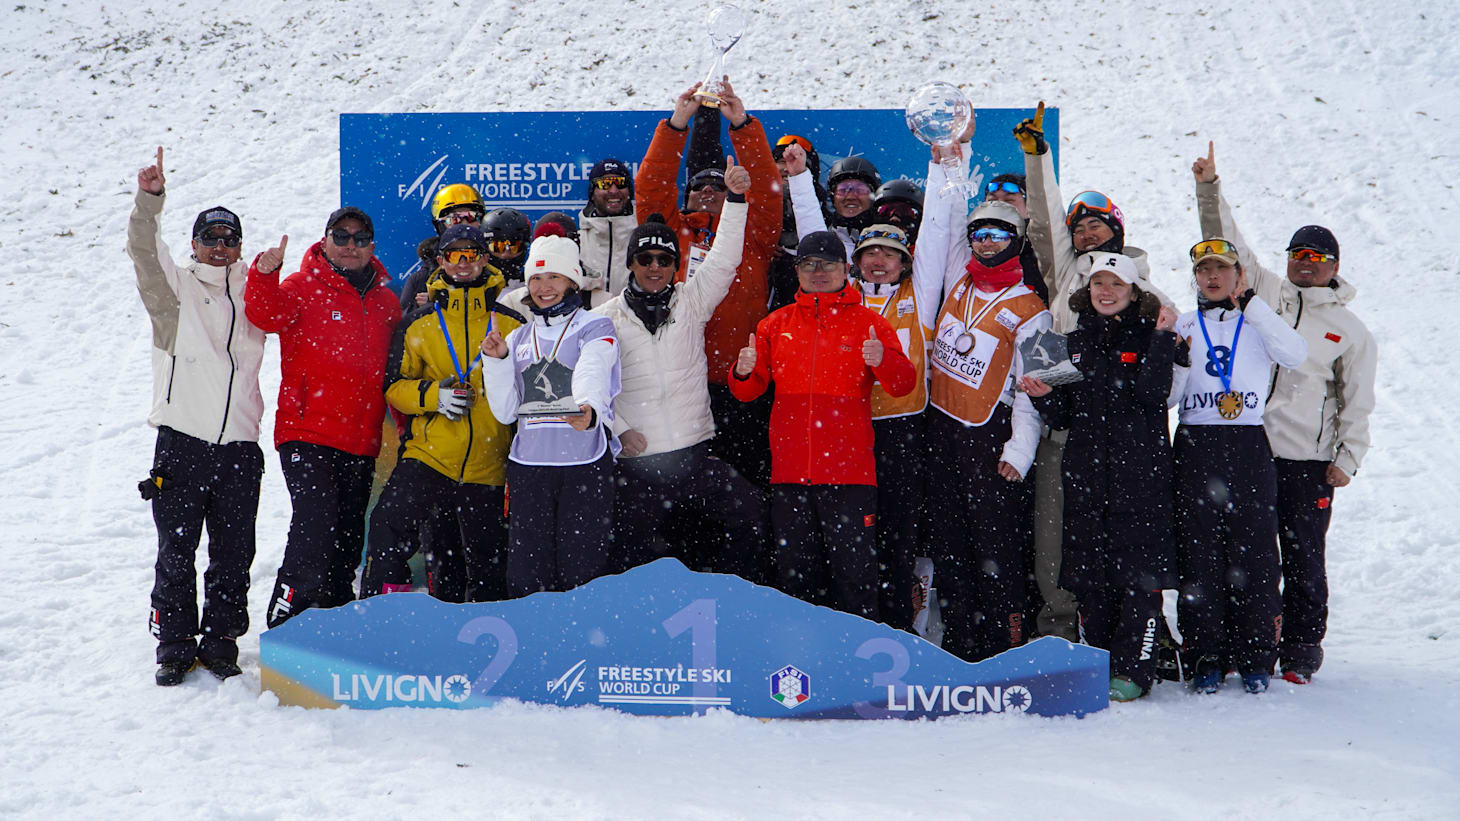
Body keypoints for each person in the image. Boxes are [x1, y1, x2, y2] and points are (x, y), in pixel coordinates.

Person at [1193, 142, 1377, 685]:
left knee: (1302, 556)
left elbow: (1358, 400)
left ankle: (1300, 647)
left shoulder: (1351, 330)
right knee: (1245, 556)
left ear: (1335, 267)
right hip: (1250, 449)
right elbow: (1227, 243)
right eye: (1297, 253)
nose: (1304, 263)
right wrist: (1208, 189)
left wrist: (1348, 457)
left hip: (1307, 460)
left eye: (1316, 258)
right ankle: (1242, 643)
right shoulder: (1266, 290)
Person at [1015, 102, 1174, 643]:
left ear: (1117, 230)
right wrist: (1038, 158)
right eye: (1079, 228)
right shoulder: (1067, 273)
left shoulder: (1145, 289)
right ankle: (1062, 631)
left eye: (1096, 225)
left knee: (1127, 537)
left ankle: (1140, 632)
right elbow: (1043, 218)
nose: (1085, 235)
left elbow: (1179, 358)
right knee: (1058, 535)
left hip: (1126, 434)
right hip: (1067, 418)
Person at [128, 147, 266, 686]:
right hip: (183, 441)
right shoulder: (176, 291)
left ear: (239, 246)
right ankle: (174, 644)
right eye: (210, 238)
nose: (220, 247)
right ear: (194, 244)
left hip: (240, 447)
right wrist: (150, 201)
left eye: (229, 239)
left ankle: (221, 642)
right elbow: (144, 250)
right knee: (177, 550)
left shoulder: (256, 291)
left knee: (234, 553)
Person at [1021, 252, 1184, 702]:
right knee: (1091, 577)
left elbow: (1154, 393)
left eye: (1116, 284)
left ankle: (1134, 670)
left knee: (1138, 580)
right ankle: (1100, 663)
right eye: (1098, 284)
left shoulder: (1153, 336)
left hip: (1140, 478)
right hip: (1087, 477)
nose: (1106, 292)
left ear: (1133, 292)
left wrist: (1162, 339)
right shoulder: (1071, 342)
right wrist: (1042, 395)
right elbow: (1063, 415)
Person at [729, 231, 916, 620]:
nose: (818, 272)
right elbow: (747, 391)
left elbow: (903, 385)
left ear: (845, 270)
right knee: (796, 580)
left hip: (850, 477)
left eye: (827, 264)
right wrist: (742, 371)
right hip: (790, 476)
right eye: (809, 264)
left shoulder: (870, 324)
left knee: (855, 579)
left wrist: (882, 359)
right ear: (797, 271)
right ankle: (801, 650)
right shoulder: (774, 324)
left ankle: (858, 651)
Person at [596, 157, 766, 579]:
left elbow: (724, 260)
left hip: (693, 457)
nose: (655, 267)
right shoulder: (604, 318)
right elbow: (587, 387)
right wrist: (619, 430)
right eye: (646, 258)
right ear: (631, 264)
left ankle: (736, 599)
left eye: (664, 259)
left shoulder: (692, 302)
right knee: (628, 558)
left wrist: (737, 200)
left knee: (751, 515)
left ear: (676, 265)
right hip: (637, 464)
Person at [919, 140, 1052, 660]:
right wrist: (951, 161)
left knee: (996, 547)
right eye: (980, 234)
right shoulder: (959, 281)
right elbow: (944, 228)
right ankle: (958, 641)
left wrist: (1020, 449)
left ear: (1016, 241)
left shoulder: (1034, 307)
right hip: (943, 433)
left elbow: (1039, 390)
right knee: (950, 543)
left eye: (998, 234)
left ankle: (1004, 643)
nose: (987, 242)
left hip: (991, 440)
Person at [246, 207, 401, 627]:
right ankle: (287, 618)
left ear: (371, 246)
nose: (351, 245)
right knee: (314, 527)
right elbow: (264, 315)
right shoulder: (301, 286)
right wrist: (264, 274)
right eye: (341, 236)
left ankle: (333, 620)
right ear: (326, 240)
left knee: (348, 539)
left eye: (360, 238)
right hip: (307, 433)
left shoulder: (387, 302)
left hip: (361, 440)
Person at [359, 224, 525, 601]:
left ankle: (486, 632)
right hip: (430, 458)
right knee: (388, 529)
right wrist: (434, 396)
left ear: (485, 259)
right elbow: (394, 387)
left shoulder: (513, 324)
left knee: (486, 569)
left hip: (489, 464)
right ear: (441, 260)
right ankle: (382, 615)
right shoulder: (417, 323)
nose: (463, 263)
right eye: (454, 255)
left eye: (471, 254)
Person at [1171, 238, 1307, 694]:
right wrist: (1172, 357)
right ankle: (1206, 654)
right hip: (1196, 443)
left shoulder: (1258, 321)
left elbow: (1295, 354)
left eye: (1222, 269)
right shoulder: (1184, 323)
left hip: (1247, 442)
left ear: (1238, 275)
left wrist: (1252, 304)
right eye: (1204, 270)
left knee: (1256, 554)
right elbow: (1168, 397)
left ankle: (1255, 655)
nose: (1213, 277)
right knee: (1200, 556)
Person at [635, 77, 781, 487]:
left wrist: (743, 127)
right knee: (681, 487)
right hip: (681, 382)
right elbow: (650, 187)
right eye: (699, 185)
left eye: (718, 185)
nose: (708, 192)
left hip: (740, 381)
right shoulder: (673, 233)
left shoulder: (755, 234)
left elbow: (768, 190)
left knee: (745, 486)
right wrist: (676, 125)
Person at [480, 235, 621, 596]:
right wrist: (496, 362)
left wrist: (588, 408)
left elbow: (593, 367)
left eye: (554, 277)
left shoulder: (595, 326)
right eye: (536, 279)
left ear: (572, 281)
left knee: (583, 574)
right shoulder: (516, 338)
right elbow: (506, 411)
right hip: (530, 469)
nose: (544, 288)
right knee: (528, 578)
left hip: (583, 466)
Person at [847, 222, 941, 627]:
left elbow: (936, 237)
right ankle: (855, 619)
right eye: (870, 252)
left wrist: (944, 182)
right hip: (849, 429)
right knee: (852, 531)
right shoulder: (842, 295)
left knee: (897, 531)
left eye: (889, 254)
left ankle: (899, 620)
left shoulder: (918, 296)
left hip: (902, 430)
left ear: (905, 263)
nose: (879, 261)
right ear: (856, 260)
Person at [578, 158, 636, 306]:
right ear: (592, 193)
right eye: (605, 184)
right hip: (589, 320)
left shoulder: (642, 237)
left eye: (620, 183)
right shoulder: (576, 241)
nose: (614, 191)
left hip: (634, 320)